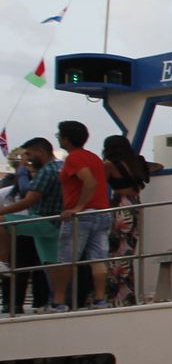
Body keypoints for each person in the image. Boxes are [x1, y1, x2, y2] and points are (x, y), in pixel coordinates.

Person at [46, 121, 111, 310]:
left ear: (66, 139)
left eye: (59, 135)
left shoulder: (74, 158)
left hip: (83, 217)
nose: (58, 137)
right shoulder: (94, 157)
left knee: (66, 259)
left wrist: (78, 207)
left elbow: (89, 181)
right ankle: (100, 299)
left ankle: (58, 301)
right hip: (103, 212)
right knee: (98, 259)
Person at [0, 138, 61, 311]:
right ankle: (56, 301)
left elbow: (29, 200)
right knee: (49, 264)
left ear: (39, 152)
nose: (26, 158)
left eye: (28, 153)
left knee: (1, 223)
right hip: (55, 223)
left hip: (41, 221)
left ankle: (2, 262)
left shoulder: (45, 172)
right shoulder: (59, 168)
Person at [101, 134, 160, 306]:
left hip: (120, 205)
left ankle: (116, 297)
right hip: (135, 205)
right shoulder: (137, 161)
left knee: (116, 252)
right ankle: (128, 294)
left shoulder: (109, 164)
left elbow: (101, 184)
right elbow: (156, 167)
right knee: (128, 250)